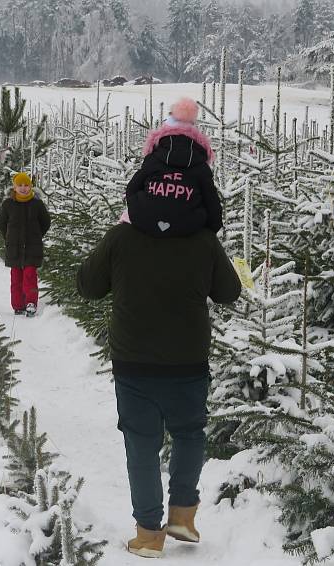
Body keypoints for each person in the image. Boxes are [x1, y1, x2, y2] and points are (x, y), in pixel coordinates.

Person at [76, 202, 241, 557]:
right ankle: (183, 514)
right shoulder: (202, 238)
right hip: (188, 361)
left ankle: (149, 534)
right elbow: (229, 292)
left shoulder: (122, 236)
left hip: (133, 362)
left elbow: (88, 285)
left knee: (141, 444)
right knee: (189, 433)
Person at [124, 97, 223, 238]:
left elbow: (132, 189)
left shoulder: (153, 158)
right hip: (188, 230)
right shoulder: (200, 166)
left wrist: (138, 211)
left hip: (144, 223)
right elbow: (213, 209)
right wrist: (206, 235)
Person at [0, 172, 51, 317]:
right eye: (19, 185)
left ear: (31, 186)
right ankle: (17, 305)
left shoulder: (37, 204)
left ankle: (31, 303)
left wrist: (36, 236)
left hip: (32, 248)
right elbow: (2, 223)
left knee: (29, 276)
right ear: (14, 187)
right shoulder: (8, 204)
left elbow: (46, 222)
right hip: (13, 248)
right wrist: (9, 238)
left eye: (26, 185)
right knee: (16, 278)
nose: (23, 188)